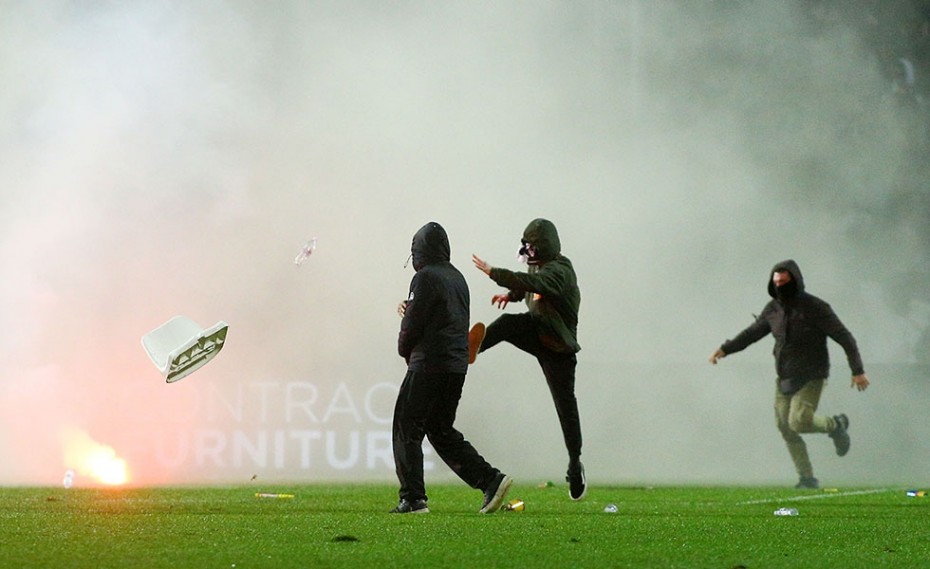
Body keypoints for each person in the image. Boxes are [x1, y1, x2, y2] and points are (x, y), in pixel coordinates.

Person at [708, 259, 870, 489]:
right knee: (785, 426)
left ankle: (835, 425)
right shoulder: (772, 309)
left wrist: (858, 371)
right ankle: (807, 478)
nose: (780, 287)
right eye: (776, 283)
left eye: (784, 282)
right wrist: (726, 349)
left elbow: (845, 337)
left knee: (799, 421)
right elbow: (752, 333)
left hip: (812, 374)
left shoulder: (816, 307)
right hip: (784, 376)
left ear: (795, 280)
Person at [391, 221, 513, 514]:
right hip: (456, 365)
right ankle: (491, 480)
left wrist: (404, 346)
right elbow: (444, 318)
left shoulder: (424, 278)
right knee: (440, 430)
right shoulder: (457, 278)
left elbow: (413, 325)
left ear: (418, 250)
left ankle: (413, 498)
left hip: (429, 363)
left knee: (406, 426)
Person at [470, 218, 586, 501]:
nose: (528, 251)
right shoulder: (538, 264)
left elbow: (535, 281)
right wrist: (510, 296)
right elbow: (527, 284)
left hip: (558, 347)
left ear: (543, 247)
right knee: (507, 323)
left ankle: (574, 463)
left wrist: (494, 272)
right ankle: (467, 350)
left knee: (565, 408)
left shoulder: (560, 271)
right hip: (537, 331)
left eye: (532, 246)